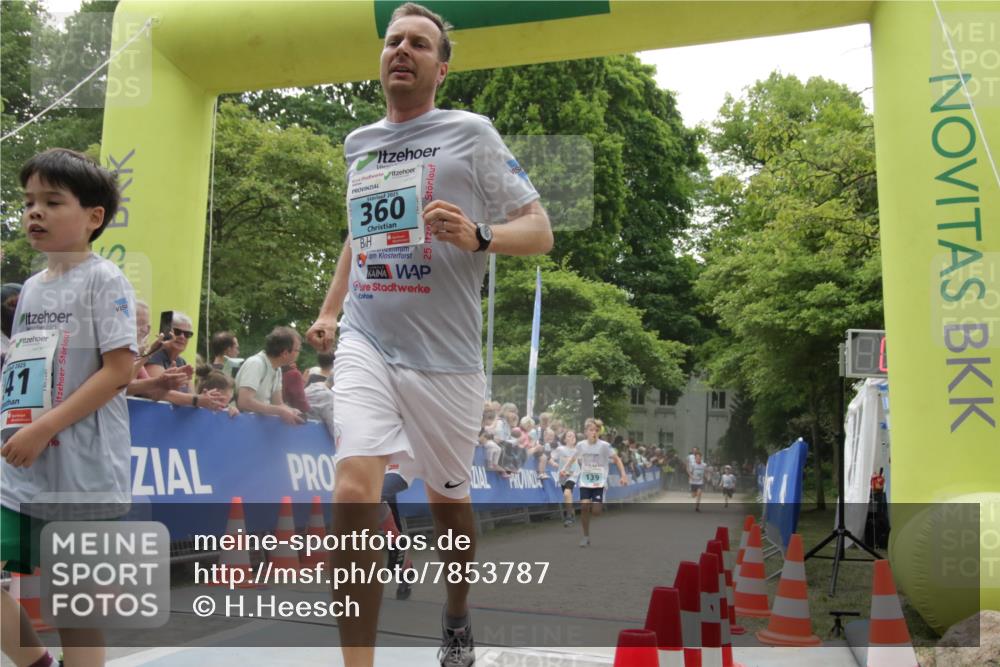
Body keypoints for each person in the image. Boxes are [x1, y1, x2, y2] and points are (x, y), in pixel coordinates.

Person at [305, 4, 552, 665]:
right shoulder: (359, 143)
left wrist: (480, 234)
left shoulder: (471, 133)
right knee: (353, 491)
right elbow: (359, 235)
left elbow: (540, 229)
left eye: (419, 43)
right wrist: (330, 311)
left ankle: (457, 613)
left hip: (445, 357)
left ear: (440, 69)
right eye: (394, 41)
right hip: (367, 338)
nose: (402, 50)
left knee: (450, 505)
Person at [1, 148, 138, 667]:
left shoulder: (105, 279)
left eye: (53, 201)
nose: (35, 211)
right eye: (29, 201)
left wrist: (45, 429)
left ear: (93, 217)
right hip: (20, 472)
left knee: (75, 608)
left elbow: (119, 371)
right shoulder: (30, 290)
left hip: (83, 476)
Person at [558, 419, 629, 547]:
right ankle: (586, 537)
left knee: (596, 512)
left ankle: (596, 502)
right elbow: (573, 458)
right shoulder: (581, 445)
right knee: (584, 507)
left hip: (599, 482)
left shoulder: (605, 446)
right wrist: (564, 469)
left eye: (596, 430)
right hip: (585, 481)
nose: (594, 432)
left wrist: (623, 475)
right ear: (586, 432)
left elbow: (617, 460)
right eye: (591, 430)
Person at [234, 326, 305, 425]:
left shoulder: (277, 369)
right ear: (285, 353)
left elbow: (278, 403)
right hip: (241, 425)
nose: (299, 353)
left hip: (255, 426)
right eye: (298, 350)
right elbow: (244, 402)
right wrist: (280, 411)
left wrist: (291, 411)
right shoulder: (256, 363)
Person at [128, 300, 191, 401]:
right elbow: (124, 386)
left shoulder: (137, 355)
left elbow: (154, 394)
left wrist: (166, 384)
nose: (145, 330)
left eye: (187, 334)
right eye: (139, 323)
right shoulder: (116, 351)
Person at [550, 429, 580, 526]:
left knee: (567, 493)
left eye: (573, 436)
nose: (572, 438)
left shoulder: (577, 450)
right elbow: (551, 459)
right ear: (564, 439)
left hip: (573, 475)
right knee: (567, 496)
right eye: (569, 436)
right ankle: (571, 513)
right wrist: (553, 463)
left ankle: (568, 517)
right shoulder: (560, 449)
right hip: (562, 475)